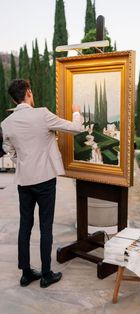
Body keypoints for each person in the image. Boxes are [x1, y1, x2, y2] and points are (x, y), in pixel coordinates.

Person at [1, 79, 83, 288]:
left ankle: (26, 273)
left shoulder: (6, 123)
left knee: (24, 226)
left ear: (13, 99)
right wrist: (75, 111)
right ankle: (46, 274)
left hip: (24, 181)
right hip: (45, 180)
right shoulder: (42, 114)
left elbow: (10, 151)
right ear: (28, 92)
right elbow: (76, 128)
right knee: (46, 227)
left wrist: (24, 164)